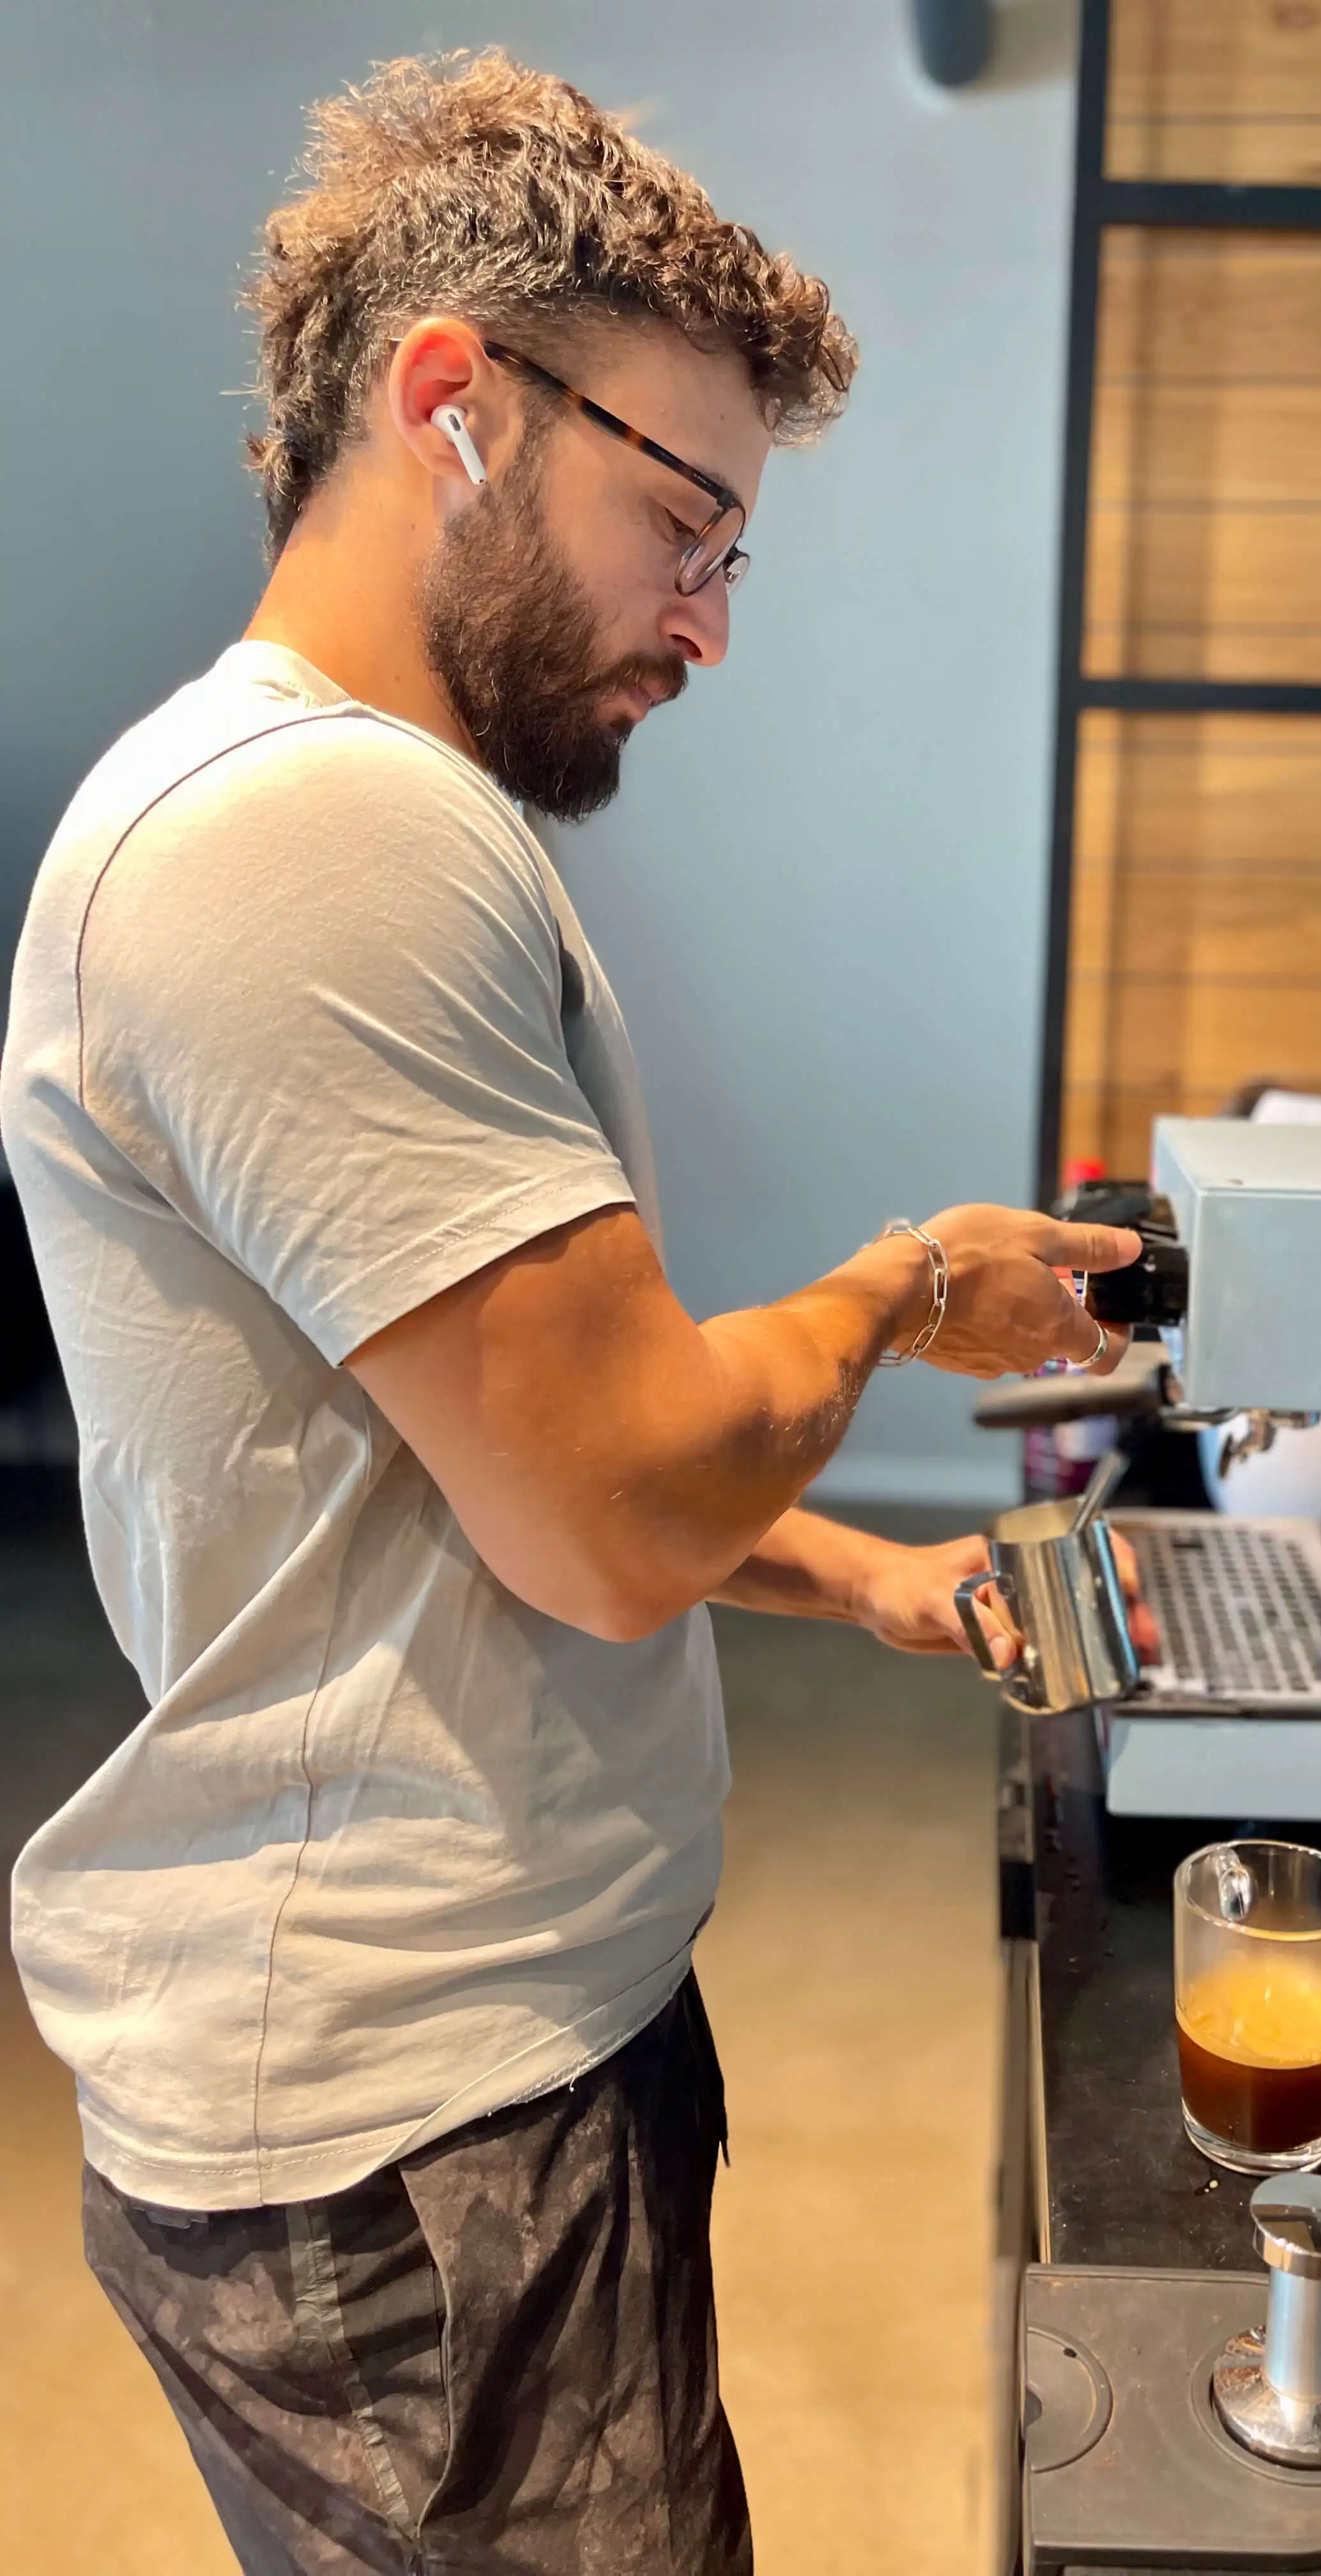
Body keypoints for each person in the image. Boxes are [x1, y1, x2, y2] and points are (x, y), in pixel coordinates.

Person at [1, 52, 1141, 2576]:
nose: (711, 626)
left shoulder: (321, 811)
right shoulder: (321, 833)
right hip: (418, 2128)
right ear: (452, 405)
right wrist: (907, 1285)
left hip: (474, 2057)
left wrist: (852, 1569)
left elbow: (475, 1465)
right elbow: (616, 1510)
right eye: (685, 522)